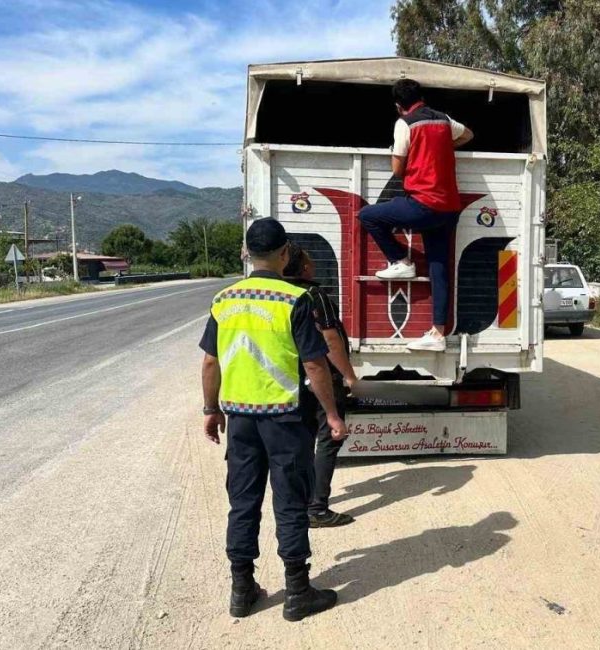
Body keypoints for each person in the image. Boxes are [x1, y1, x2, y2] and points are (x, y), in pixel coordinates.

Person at [199, 218, 346, 622]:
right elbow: (314, 365)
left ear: (247, 253)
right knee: (290, 503)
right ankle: (298, 592)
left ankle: (242, 590)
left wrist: (211, 409)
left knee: (242, 503)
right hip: (285, 419)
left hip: (240, 420)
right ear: (284, 254)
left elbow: (210, 361)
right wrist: (332, 413)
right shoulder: (295, 299)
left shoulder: (224, 299)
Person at [358, 78, 474, 352]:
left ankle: (400, 260)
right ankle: (438, 333)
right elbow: (468, 134)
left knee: (367, 216)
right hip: (449, 208)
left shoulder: (405, 123)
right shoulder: (443, 119)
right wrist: (442, 147)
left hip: (423, 204)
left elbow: (397, 169)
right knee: (438, 266)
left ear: (399, 106)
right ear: (422, 98)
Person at [282, 243, 359, 528]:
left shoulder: (281, 294)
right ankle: (317, 508)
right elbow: (329, 339)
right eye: (310, 260)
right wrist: (349, 376)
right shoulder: (314, 295)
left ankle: (299, 501)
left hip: (292, 379)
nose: (314, 264)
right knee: (329, 438)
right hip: (321, 377)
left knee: (302, 441)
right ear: (305, 268)